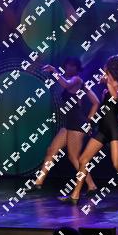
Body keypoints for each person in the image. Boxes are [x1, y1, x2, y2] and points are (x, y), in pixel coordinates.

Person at [58, 55, 118, 207]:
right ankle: (75, 195)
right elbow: (109, 107)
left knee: (117, 163)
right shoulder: (107, 87)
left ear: (110, 68)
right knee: (83, 160)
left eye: (106, 66)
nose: (103, 68)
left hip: (114, 130)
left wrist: (108, 83)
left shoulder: (116, 85)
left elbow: (115, 98)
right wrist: (91, 123)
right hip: (103, 129)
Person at [30, 57, 100, 194]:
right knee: (52, 150)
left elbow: (67, 85)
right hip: (69, 124)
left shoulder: (77, 80)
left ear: (77, 68)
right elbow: (96, 102)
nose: (69, 68)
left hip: (77, 124)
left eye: (72, 66)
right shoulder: (80, 83)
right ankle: (38, 183)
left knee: (74, 157)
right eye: (67, 65)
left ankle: (92, 186)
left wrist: (54, 71)